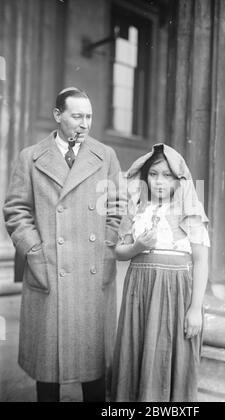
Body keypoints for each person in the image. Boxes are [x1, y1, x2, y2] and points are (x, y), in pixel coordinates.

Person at [3, 87, 125, 402]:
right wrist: (34, 251)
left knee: (94, 373)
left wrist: (106, 247)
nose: (84, 124)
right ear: (58, 116)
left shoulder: (105, 155)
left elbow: (116, 209)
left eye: (89, 117)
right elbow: (16, 211)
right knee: (48, 374)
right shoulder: (30, 157)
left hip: (92, 271)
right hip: (49, 268)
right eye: (77, 116)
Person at [110, 143, 210, 402]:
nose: (160, 182)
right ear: (145, 178)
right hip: (140, 290)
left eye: (167, 176)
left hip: (175, 292)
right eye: (153, 174)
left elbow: (201, 261)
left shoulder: (190, 212)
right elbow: (118, 252)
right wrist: (137, 246)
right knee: (138, 350)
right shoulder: (137, 209)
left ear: (179, 181)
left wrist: (195, 308)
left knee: (169, 352)